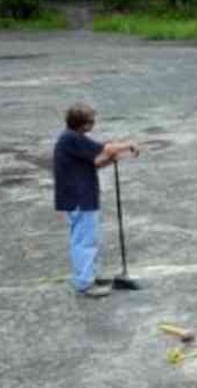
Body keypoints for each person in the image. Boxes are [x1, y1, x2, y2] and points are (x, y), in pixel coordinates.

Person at [53, 103, 140, 298]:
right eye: (91, 121)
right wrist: (128, 145)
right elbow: (105, 148)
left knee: (90, 238)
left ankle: (91, 275)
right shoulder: (71, 138)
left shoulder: (75, 139)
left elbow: (95, 162)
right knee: (84, 241)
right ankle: (84, 283)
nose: (93, 124)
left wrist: (116, 157)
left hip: (83, 196)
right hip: (79, 197)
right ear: (83, 124)